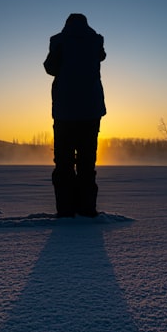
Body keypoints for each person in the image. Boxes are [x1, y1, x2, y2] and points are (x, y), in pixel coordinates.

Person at [43, 13, 106, 217]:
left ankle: (66, 210)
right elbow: (102, 56)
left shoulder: (58, 41)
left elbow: (50, 68)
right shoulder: (96, 40)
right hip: (91, 110)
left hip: (65, 111)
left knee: (64, 162)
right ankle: (87, 209)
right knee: (87, 162)